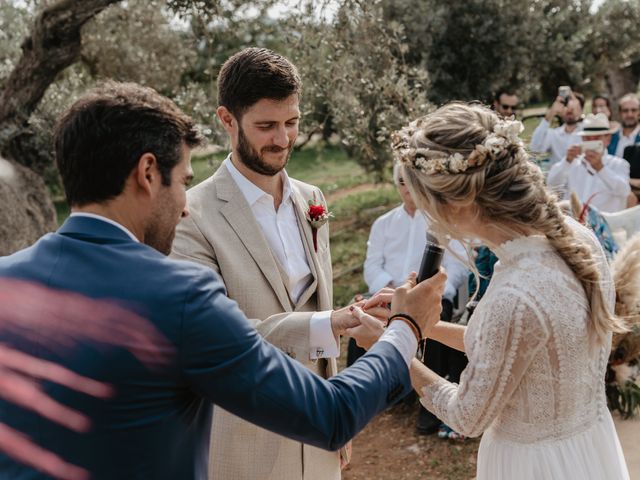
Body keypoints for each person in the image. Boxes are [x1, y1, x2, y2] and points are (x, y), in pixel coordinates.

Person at [0, 81, 447, 479]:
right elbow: (330, 414)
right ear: (148, 173)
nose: (184, 206)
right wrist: (406, 329)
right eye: (181, 182)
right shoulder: (176, 296)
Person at [349, 102, 630, 480]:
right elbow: (511, 346)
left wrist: (395, 348)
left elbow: (468, 416)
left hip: (534, 468)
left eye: (428, 203)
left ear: (459, 202)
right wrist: (416, 326)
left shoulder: (516, 293)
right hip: (587, 451)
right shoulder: (575, 238)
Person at [171, 47, 356, 480]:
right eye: (266, 126)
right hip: (246, 439)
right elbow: (216, 336)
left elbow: (320, 302)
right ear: (227, 120)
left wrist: (340, 410)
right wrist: (330, 322)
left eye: (292, 122)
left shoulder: (313, 200)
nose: (283, 139)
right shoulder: (191, 215)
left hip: (319, 426)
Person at [362, 162, 469, 436]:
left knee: (434, 318)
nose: (407, 188)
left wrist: (433, 292)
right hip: (390, 291)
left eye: (412, 182)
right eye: (401, 182)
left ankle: (429, 404)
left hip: (431, 293)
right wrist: (392, 290)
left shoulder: (441, 219)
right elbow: (372, 264)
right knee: (366, 315)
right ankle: (380, 390)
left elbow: (458, 265)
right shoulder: (383, 223)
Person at [547, 113, 631, 212]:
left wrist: (601, 168)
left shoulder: (619, 164)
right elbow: (552, 185)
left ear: (608, 139)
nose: (591, 141)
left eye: (596, 138)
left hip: (606, 224)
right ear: (582, 139)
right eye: (587, 138)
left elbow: (624, 191)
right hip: (576, 223)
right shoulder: (572, 162)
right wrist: (567, 161)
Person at [530, 90, 584, 165]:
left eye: (574, 106)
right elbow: (535, 148)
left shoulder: (586, 132)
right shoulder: (554, 134)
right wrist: (551, 114)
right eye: (566, 105)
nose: (569, 109)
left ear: (581, 110)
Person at [608, 93, 640, 158]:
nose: (629, 115)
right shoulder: (610, 136)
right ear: (620, 113)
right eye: (625, 110)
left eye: (634, 110)